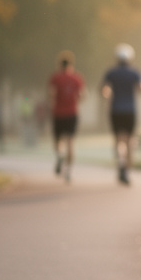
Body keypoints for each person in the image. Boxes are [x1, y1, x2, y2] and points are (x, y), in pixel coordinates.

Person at [102, 43, 141, 185]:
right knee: (130, 141)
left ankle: (121, 163)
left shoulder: (111, 72)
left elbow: (104, 91)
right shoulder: (135, 72)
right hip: (130, 111)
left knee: (119, 140)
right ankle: (127, 170)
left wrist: (109, 95)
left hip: (115, 110)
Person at [48, 50, 86, 183]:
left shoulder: (55, 78)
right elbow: (82, 96)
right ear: (71, 64)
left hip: (58, 113)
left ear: (60, 65)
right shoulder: (77, 78)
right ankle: (68, 170)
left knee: (58, 140)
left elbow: (51, 95)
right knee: (70, 142)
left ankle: (59, 156)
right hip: (72, 113)